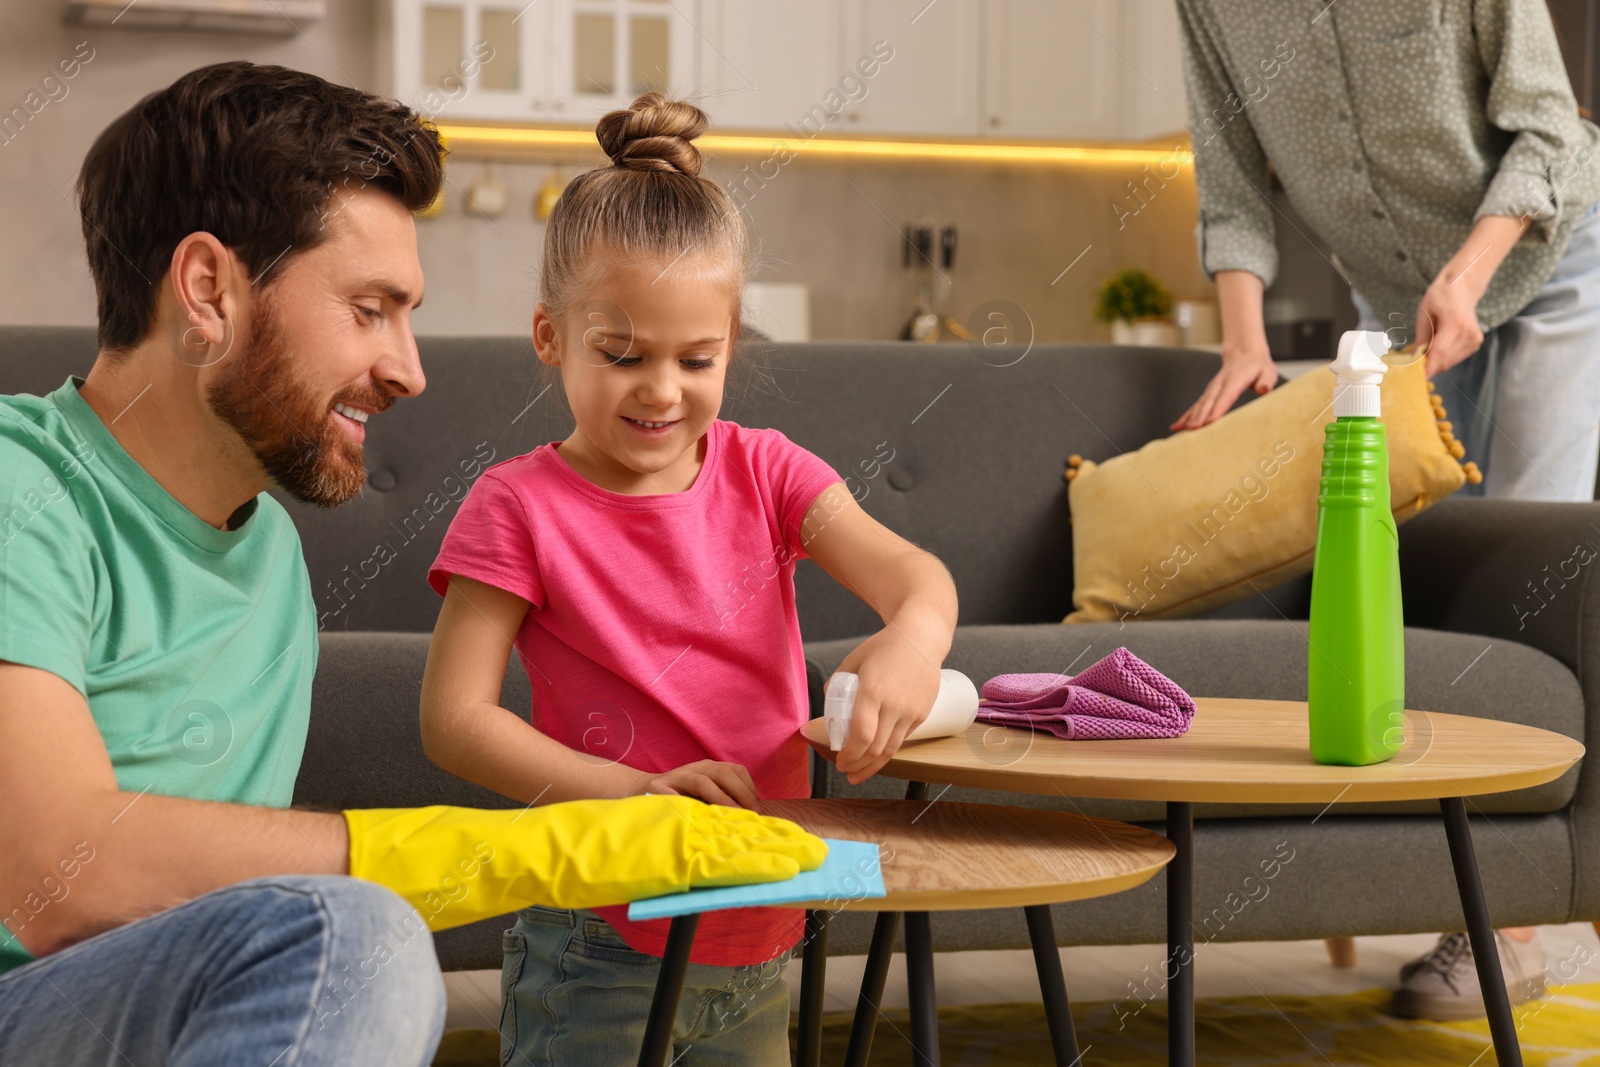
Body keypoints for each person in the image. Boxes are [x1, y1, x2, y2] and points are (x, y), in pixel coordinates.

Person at [0, 63, 825, 1066]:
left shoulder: (264, 552)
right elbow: (57, 872)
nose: (410, 368)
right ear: (210, 289)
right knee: (351, 934)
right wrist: (530, 846)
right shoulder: (19, 487)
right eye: (370, 308)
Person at [418, 92, 960, 1065]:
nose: (661, 388)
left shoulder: (769, 470)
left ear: (732, 343)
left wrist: (912, 644)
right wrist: (634, 794)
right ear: (550, 336)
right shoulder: (517, 505)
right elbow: (454, 719)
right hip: (599, 922)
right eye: (620, 354)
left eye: (696, 357)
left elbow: (918, 577)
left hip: (755, 908)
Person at [1168, 0, 1595, 1019]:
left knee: (1524, 556)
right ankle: (1438, 870)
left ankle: (1509, 927)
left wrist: (1467, 270)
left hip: (1551, 262)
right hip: (1395, 302)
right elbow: (1229, 182)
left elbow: (1547, 123)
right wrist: (1242, 340)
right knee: (1420, 577)